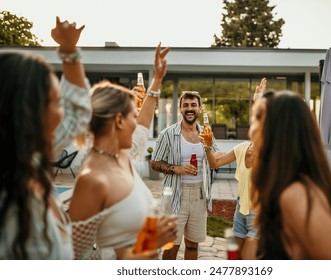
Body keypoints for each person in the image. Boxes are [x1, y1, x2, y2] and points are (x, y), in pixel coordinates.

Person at [68, 44, 177, 260]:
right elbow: (76, 259)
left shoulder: (121, 155)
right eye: (131, 117)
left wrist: (157, 80)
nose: (136, 123)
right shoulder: (93, 180)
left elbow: (144, 124)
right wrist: (151, 243)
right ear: (119, 120)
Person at [0, 17, 91, 259]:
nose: (63, 111)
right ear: (27, 111)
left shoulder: (30, 160)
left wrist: (70, 52)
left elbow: (77, 114)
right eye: (56, 101)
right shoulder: (10, 208)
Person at [250, 90, 331, 260]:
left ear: (277, 130)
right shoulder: (288, 186)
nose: (251, 127)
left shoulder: (297, 194)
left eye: (257, 117)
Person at [200, 78, 268, 260]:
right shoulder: (242, 148)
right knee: (234, 261)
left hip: (259, 215)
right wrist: (207, 146)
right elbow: (215, 163)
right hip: (240, 212)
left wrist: (258, 102)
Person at [151, 91, 220, 260]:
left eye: (193, 105)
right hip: (175, 194)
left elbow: (216, 159)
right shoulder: (167, 134)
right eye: (186, 105)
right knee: (171, 246)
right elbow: (154, 163)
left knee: (192, 245)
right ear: (180, 109)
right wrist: (178, 169)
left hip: (199, 195)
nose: (190, 109)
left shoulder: (207, 134)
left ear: (200, 109)